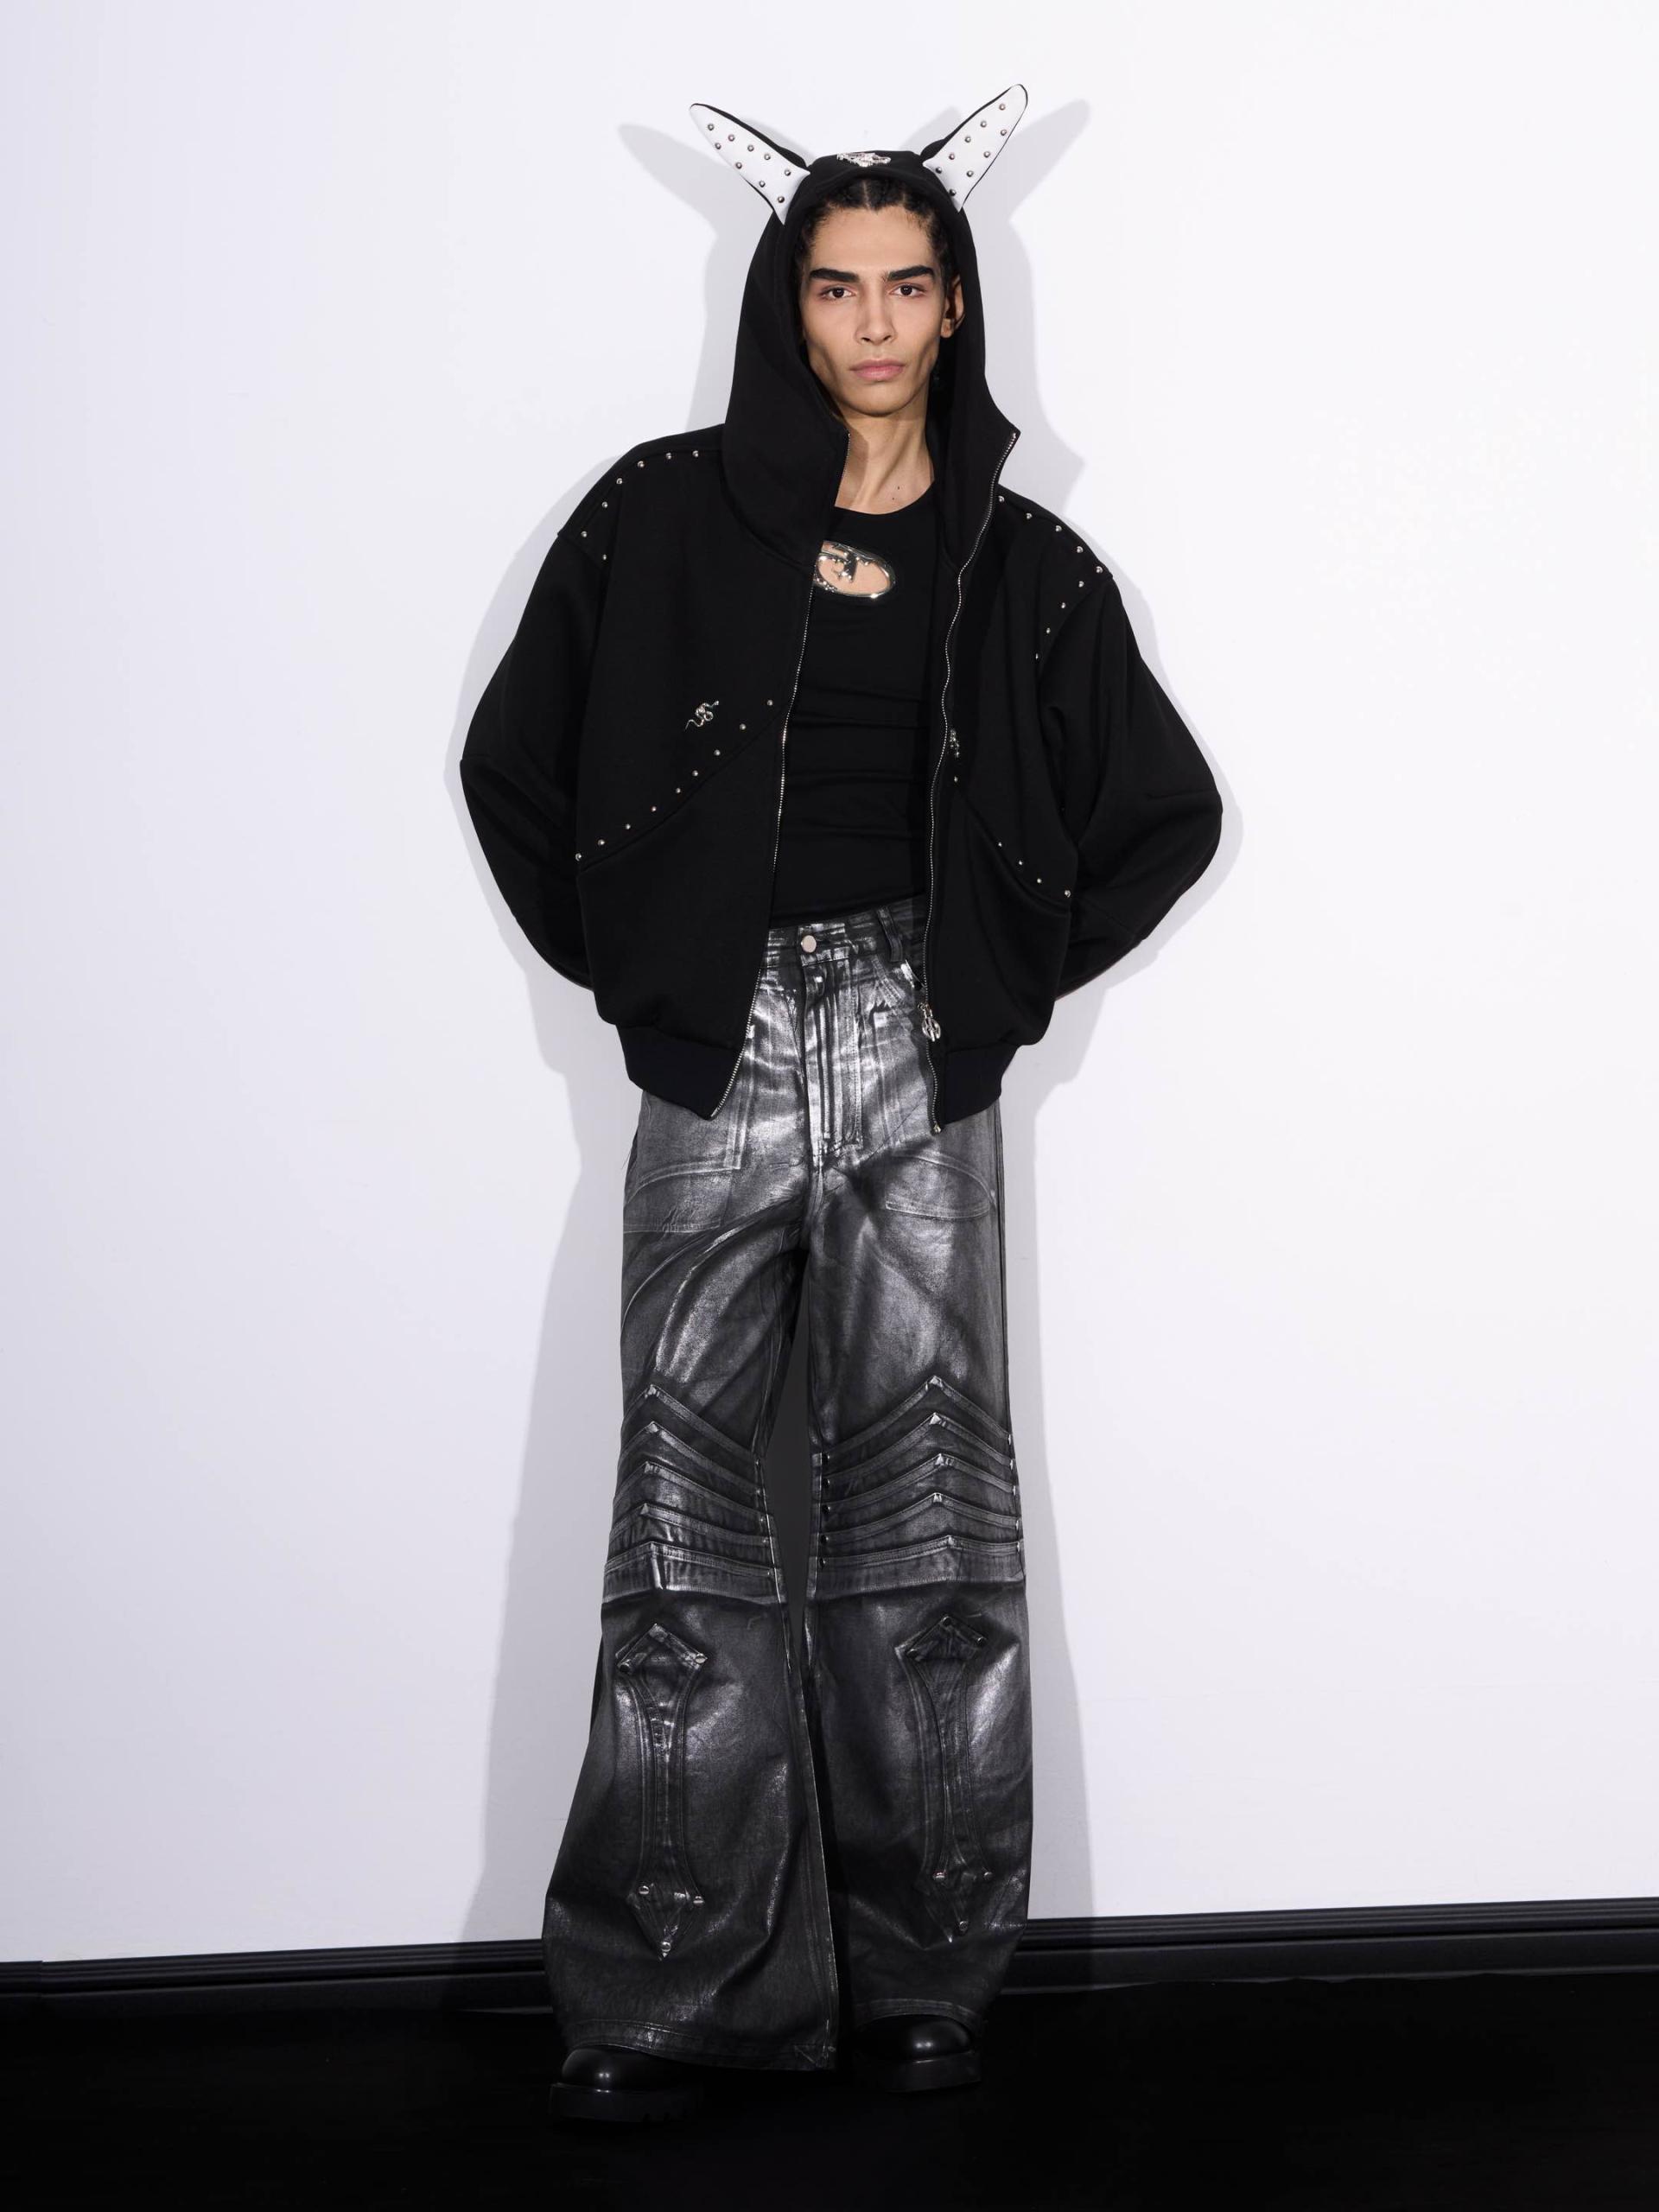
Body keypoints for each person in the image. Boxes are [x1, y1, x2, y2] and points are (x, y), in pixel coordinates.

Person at [459, 86, 1224, 2125]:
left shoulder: (1020, 561)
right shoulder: (657, 515)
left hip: (917, 1042)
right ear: (785, 308)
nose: (872, 324)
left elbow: (1164, 810)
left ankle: (924, 1980)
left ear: (956, 305)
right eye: (835, 287)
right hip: (711, 1046)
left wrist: (988, 979)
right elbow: (513, 763)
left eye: (906, 285)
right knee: (680, 1524)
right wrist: (646, 969)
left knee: (928, 1533)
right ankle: (664, 1989)